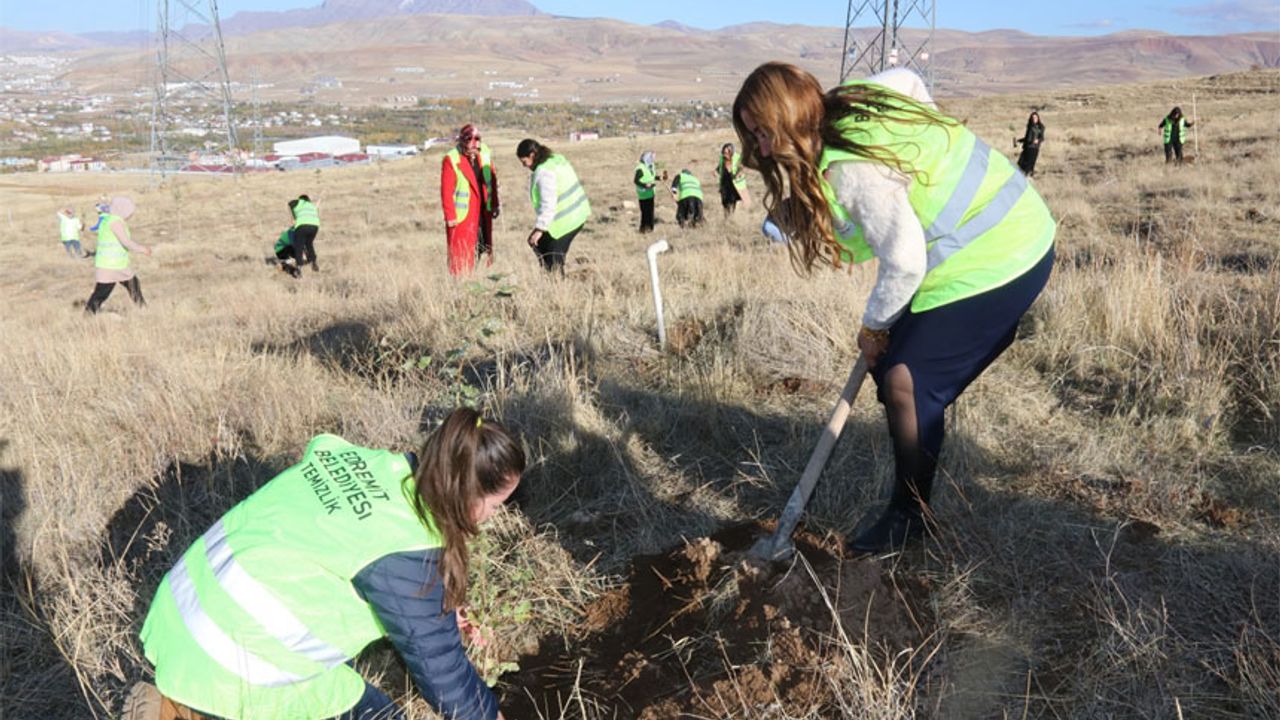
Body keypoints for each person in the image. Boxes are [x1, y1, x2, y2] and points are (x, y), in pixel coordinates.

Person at [733, 62, 1055, 553]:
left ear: (789, 114)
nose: (760, 148)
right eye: (753, 135)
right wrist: (920, 152)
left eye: (762, 132)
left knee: (906, 379)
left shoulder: (852, 170)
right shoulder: (851, 99)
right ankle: (945, 383)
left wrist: (874, 328)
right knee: (893, 373)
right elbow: (907, 78)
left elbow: (904, 261)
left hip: (1000, 252)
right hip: (997, 230)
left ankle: (908, 517)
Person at [133, 407, 524, 720]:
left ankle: (182, 703)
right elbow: (445, 679)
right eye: (495, 506)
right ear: (465, 494)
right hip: (233, 663)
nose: (492, 517)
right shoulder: (409, 555)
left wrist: (434, 609)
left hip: (178, 613)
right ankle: (192, 710)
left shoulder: (371, 465)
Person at [516, 138, 590, 274]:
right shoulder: (555, 159)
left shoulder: (544, 173)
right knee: (540, 244)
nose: (524, 166)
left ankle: (557, 284)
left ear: (532, 155)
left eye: (524, 162)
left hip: (566, 221)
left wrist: (539, 229)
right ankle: (548, 277)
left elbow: (548, 204)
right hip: (578, 213)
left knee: (553, 258)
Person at [441, 124, 501, 275]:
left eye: (477, 141)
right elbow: (446, 191)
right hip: (463, 215)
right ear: (462, 141)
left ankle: (479, 279)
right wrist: (450, 216)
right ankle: (462, 283)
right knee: (461, 254)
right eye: (470, 142)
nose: (474, 147)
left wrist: (494, 204)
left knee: (482, 247)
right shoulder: (452, 159)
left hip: (483, 211)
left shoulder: (484, 153)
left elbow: (491, 180)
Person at [85, 196, 152, 314]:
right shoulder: (115, 222)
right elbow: (125, 242)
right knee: (102, 293)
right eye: (129, 212)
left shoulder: (108, 220)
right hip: (111, 265)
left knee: (133, 284)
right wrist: (143, 249)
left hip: (113, 264)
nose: (130, 215)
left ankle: (143, 309)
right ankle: (88, 314)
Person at [716, 143, 749, 217]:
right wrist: (715, 172)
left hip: (734, 184)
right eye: (724, 153)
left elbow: (742, 167)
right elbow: (719, 168)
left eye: (727, 152)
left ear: (731, 152)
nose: (725, 155)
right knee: (725, 202)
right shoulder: (722, 159)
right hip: (724, 183)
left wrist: (738, 173)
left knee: (732, 201)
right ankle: (727, 216)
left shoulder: (737, 158)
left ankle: (732, 216)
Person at [291, 194, 320, 271]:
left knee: (299, 246)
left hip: (302, 225)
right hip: (315, 226)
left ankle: (298, 267)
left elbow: (290, 203)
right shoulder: (311, 206)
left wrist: (293, 218)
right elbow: (317, 205)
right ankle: (314, 262)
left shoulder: (298, 203)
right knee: (309, 244)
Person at [634, 151, 657, 234]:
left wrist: (659, 178)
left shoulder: (650, 167)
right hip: (643, 194)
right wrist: (645, 185)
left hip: (651, 193)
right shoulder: (640, 168)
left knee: (650, 212)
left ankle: (650, 229)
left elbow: (652, 177)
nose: (653, 160)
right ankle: (643, 229)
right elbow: (636, 181)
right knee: (645, 212)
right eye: (652, 158)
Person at [1015, 111, 1044, 176]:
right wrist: (1019, 141)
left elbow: (1042, 138)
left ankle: (1028, 177)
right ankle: (1023, 176)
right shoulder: (1030, 126)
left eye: (1035, 118)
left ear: (1038, 118)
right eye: (1033, 118)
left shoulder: (1040, 127)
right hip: (1027, 147)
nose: (1034, 119)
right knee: (1021, 163)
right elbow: (1027, 138)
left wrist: (1038, 140)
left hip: (1034, 148)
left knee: (1030, 164)